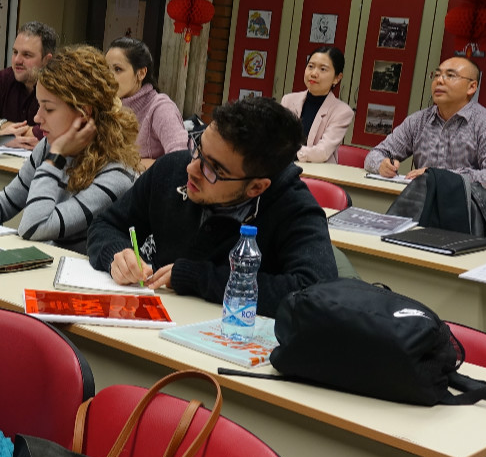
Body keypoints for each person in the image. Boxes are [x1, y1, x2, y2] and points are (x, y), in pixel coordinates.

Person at [88, 96, 338, 314]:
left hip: (231, 340)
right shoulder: (172, 169)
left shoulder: (294, 208)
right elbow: (106, 225)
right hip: (152, 322)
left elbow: (314, 294)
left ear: (256, 188)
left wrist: (198, 278)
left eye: (214, 169)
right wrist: (117, 254)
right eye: (198, 147)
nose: (192, 168)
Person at [0, 45, 139, 253]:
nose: (37, 118)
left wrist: (56, 158)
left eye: (48, 108)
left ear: (84, 113)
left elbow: (35, 226)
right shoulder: (49, 145)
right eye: (39, 106)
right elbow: (5, 204)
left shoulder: (116, 174)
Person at [363, 57, 486, 190]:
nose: (439, 81)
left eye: (450, 76)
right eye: (437, 75)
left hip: (464, 206)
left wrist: (439, 176)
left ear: (471, 87)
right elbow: (374, 155)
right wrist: (382, 165)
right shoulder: (418, 121)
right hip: (421, 202)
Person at [0, 21, 57, 150]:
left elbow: (46, 135)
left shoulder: (57, 88)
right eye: (15, 52)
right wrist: (2, 137)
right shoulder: (6, 78)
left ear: (47, 60)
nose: (17, 60)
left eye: (27, 55)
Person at [107, 37, 187, 168]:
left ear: (141, 73)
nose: (108, 77)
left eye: (118, 69)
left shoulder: (160, 108)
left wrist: (131, 164)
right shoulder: (106, 106)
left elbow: (181, 161)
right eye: (105, 69)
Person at [281, 45, 355, 164]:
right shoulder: (288, 100)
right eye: (310, 66)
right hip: (285, 167)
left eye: (323, 69)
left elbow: (322, 152)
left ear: (337, 78)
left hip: (318, 172)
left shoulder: (343, 112)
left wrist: (287, 152)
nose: (314, 73)